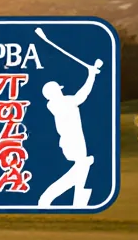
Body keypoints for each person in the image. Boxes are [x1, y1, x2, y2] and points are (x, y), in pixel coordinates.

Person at [36, 58, 103, 208]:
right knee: (82, 167)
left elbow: (80, 96)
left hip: (77, 140)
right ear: (53, 93)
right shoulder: (58, 103)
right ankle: (46, 198)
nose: (61, 90)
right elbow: (82, 95)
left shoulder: (62, 101)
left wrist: (92, 74)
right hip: (71, 142)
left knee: (81, 171)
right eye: (58, 89)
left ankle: (78, 202)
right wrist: (91, 75)